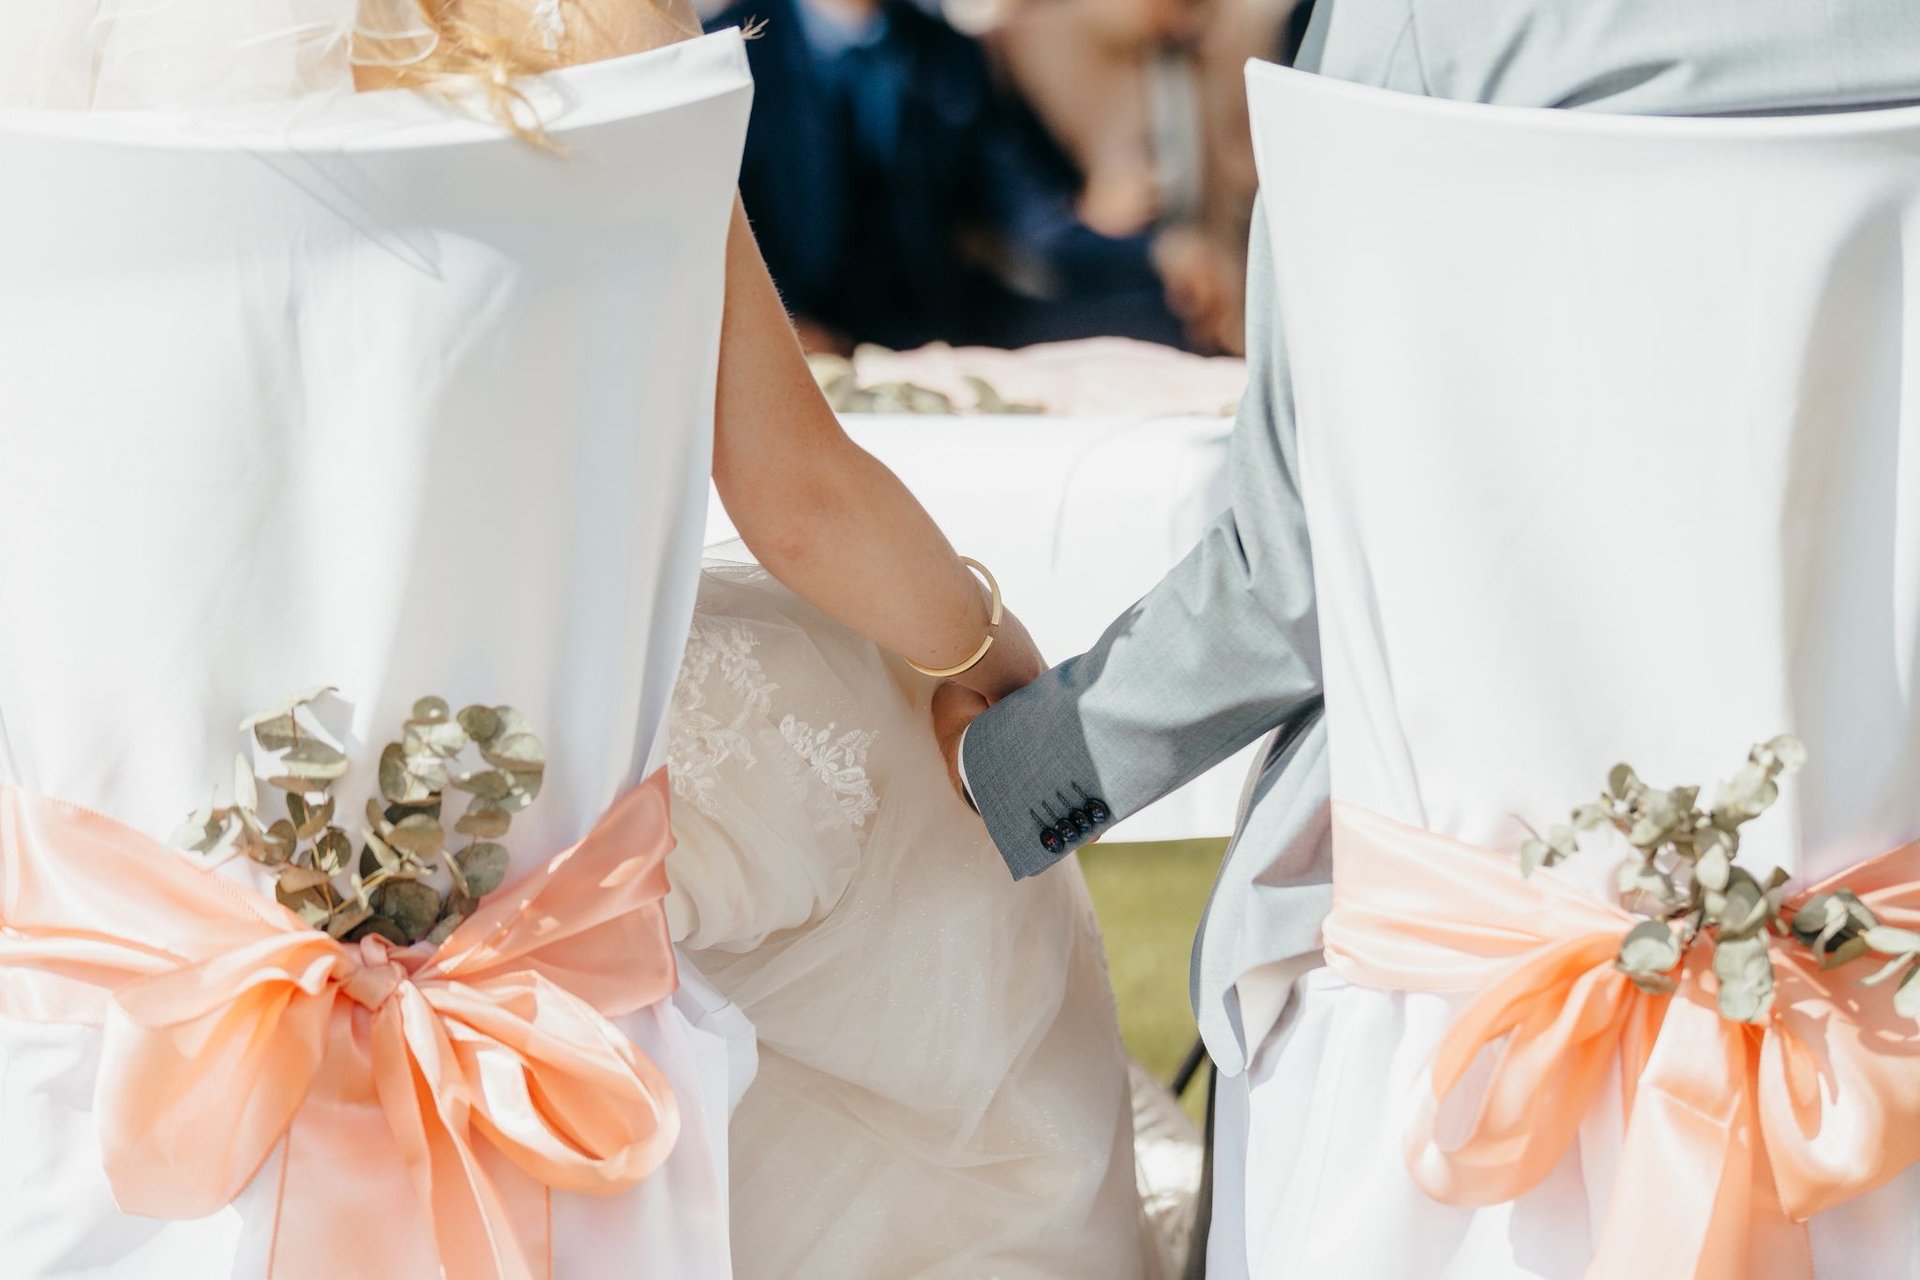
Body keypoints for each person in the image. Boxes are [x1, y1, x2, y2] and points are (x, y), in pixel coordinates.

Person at [0, 1, 1149, 1276]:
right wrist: (988, 654)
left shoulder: (55, 51)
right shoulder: (596, 32)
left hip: (129, 903)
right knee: (919, 783)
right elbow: (800, 500)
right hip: (530, 875)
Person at [935, 2, 1920, 1277]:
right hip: (1884, 935)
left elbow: (1289, 579)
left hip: (1452, 984)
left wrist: (1021, 766)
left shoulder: (1409, 34)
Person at [704, 0, 1236, 352]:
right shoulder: (727, 49)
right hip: (782, 335)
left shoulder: (948, 53)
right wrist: (780, 332)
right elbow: (703, 235)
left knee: (1165, 318)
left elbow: (1031, 220)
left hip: (933, 330)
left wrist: (1156, 255)